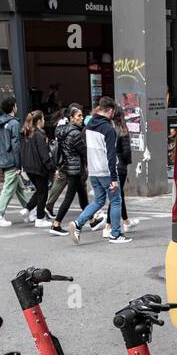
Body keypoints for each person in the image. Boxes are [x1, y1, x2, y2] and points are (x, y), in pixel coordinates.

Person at [71, 96, 129, 244]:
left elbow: (84, 143)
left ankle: (78, 223)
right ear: (109, 111)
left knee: (98, 201)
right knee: (116, 201)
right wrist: (114, 178)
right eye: (112, 112)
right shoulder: (108, 129)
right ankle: (115, 234)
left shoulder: (89, 124)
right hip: (105, 172)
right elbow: (111, 155)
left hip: (93, 171)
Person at [49, 105, 88, 237]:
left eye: (82, 116)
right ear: (71, 118)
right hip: (74, 169)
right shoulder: (75, 133)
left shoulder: (63, 131)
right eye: (78, 116)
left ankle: (92, 220)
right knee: (68, 198)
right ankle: (56, 224)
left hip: (68, 167)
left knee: (83, 196)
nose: (81, 118)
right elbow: (84, 151)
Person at [0, 97, 22, 228]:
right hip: (11, 160)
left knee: (19, 188)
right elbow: (16, 145)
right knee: (8, 188)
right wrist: (19, 165)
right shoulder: (14, 123)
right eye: (16, 105)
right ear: (13, 108)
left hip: (2, 159)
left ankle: (30, 210)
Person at [20, 110, 53, 227]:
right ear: (39, 121)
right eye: (43, 119)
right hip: (39, 168)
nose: (44, 121)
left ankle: (27, 209)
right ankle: (40, 219)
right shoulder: (39, 135)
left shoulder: (27, 133)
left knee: (40, 191)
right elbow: (44, 154)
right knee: (43, 193)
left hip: (29, 167)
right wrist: (51, 167)